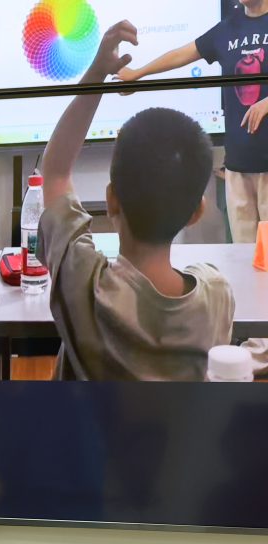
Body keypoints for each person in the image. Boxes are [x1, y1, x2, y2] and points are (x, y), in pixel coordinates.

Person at [39, 21, 236, 381]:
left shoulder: (85, 283)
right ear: (196, 212)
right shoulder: (216, 296)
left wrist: (97, 73)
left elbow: (54, 172)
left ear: (111, 200)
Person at [117, 0, 268, 373]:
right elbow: (182, 54)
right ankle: (258, 345)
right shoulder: (228, 27)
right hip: (239, 162)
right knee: (247, 257)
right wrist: (138, 74)